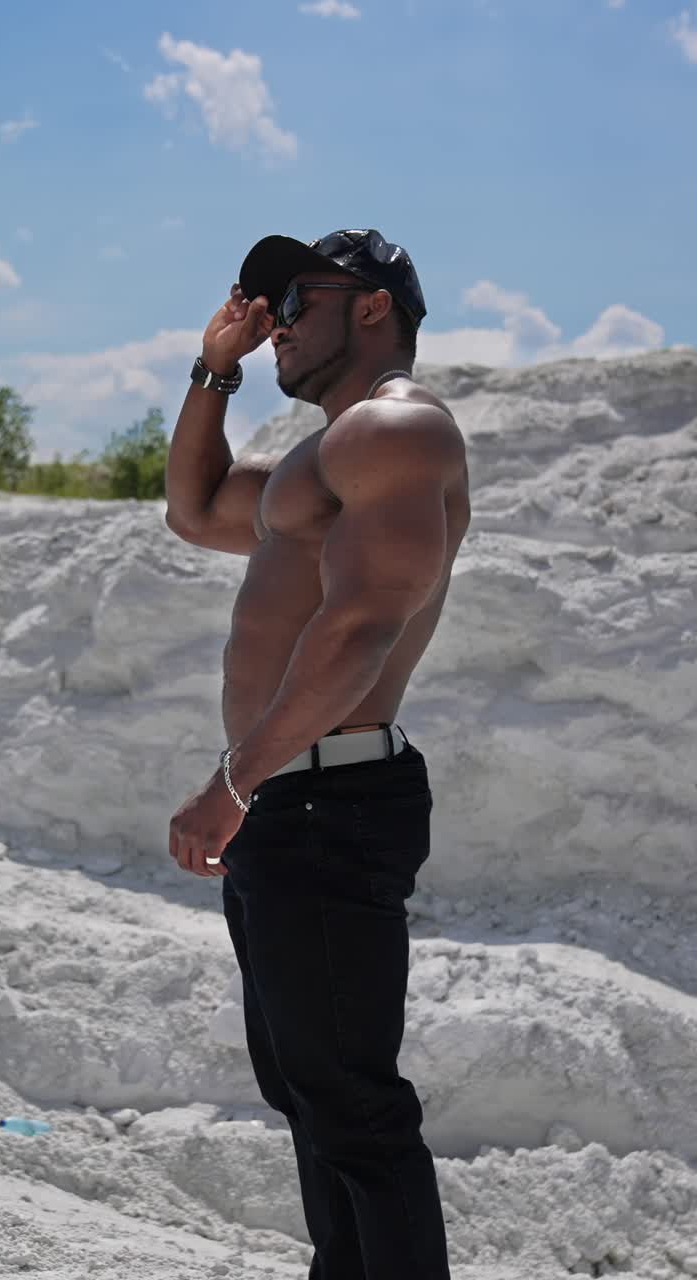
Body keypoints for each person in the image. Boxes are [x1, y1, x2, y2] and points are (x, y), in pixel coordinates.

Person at [163, 229, 469, 1279]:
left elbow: (362, 626)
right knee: (308, 1091)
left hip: (323, 798)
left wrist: (233, 779)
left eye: (295, 296)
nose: (278, 319)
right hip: (289, 800)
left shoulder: (398, 430)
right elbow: (195, 510)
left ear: (372, 306)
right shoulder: (320, 456)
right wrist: (215, 369)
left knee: (350, 1102)